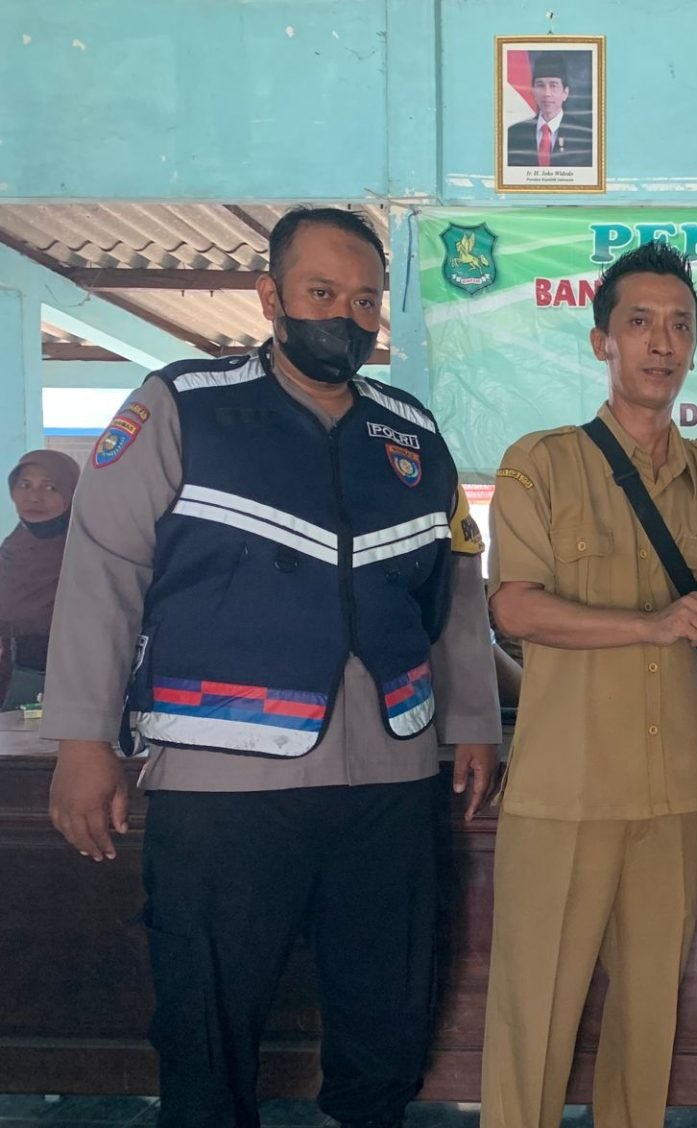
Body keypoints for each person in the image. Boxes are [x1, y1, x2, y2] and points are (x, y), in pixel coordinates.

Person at [44, 206, 502, 1128]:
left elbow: (454, 585)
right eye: (322, 292)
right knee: (208, 1024)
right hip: (224, 784)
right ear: (270, 296)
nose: (347, 317)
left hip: (390, 781)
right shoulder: (184, 404)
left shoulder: (410, 432)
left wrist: (472, 725)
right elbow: (103, 571)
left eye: (365, 300)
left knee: (386, 1018)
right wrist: (82, 738)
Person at [480, 240, 697, 1128]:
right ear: (603, 341)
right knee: (531, 1028)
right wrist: (651, 625)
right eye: (640, 323)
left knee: (647, 1031)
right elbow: (514, 607)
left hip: (672, 800)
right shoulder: (540, 464)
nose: (661, 343)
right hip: (563, 794)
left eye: (680, 326)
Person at [0, 449, 78, 709]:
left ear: (71, 493)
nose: (34, 497)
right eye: (24, 485)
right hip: (10, 685)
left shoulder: (87, 553)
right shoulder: (13, 547)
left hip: (70, 687)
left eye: (50, 487)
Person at [504, 52, 594, 167]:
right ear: (533, 92)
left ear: (565, 93)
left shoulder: (584, 135)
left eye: (553, 85)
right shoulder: (514, 134)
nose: (547, 93)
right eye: (540, 85)